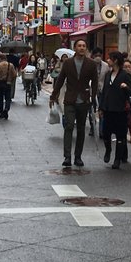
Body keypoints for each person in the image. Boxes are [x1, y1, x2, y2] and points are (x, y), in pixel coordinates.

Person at [50, 38, 98, 168]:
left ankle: (78, 156)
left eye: (84, 46)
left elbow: (94, 82)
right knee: (69, 126)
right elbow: (60, 80)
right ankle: (67, 156)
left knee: (81, 129)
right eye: (79, 46)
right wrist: (53, 95)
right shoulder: (68, 63)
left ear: (86, 48)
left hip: (84, 100)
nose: (82, 48)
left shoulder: (91, 64)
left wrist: (93, 98)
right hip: (70, 99)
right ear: (75, 48)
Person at [100, 51, 131, 169]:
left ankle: (117, 159)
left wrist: (126, 87)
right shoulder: (107, 75)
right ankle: (108, 150)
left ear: (115, 60)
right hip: (108, 109)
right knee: (106, 134)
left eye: (110, 58)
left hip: (120, 110)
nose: (108, 60)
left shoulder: (125, 75)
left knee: (121, 135)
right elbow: (104, 92)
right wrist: (101, 107)